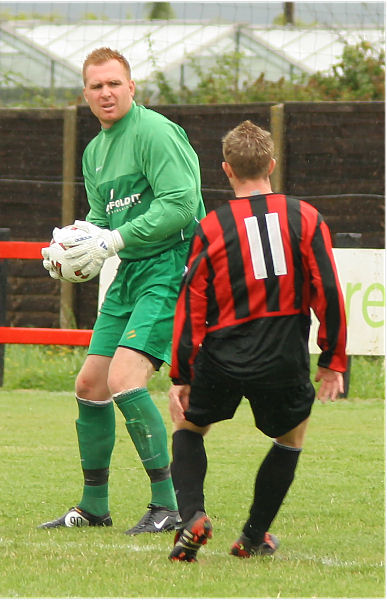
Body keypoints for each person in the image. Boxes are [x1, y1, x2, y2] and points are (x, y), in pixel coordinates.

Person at [40, 47, 205, 534]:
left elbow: (182, 205)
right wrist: (70, 250)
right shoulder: (94, 152)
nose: (106, 93)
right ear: (86, 95)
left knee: (124, 379)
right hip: (128, 272)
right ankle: (94, 508)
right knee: (90, 384)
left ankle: (169, 504)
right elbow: (98, 220)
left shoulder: (155, 132)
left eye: (115, 83)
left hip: (168, 266)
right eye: (97, 86)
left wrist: (114, 239)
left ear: (132, 87)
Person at [167, 120, 347, 562]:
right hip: (282, 351)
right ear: (272, 164)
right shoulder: (305, 216)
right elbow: (328, 289)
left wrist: (181, 373)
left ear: (226, 170)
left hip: (223, 349)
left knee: (189, 428)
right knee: (290, 438)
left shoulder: (211, 226)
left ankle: (192, 516)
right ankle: (253, 537)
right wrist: (333, 359)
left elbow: (191, 301)